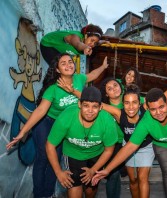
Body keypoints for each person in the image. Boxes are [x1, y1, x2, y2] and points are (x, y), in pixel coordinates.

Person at [6, 53, 108, 198]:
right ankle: (39, 194)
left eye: (70, 62)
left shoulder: (79, 79)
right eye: (63, 63)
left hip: (64, 126)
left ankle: (49, 193)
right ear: (58, 70)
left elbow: (93, 74)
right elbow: (40, 110)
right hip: (47, 122)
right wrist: (24, 131)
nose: (68, 65)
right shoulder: (53, 89)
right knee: (43, 156)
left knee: (56, 158)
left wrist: (103, 67)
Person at [102, 70, 167, 198]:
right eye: (127, 103)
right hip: (128, 145)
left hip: (146, 145)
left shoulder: (143, 104)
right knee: (133, 180)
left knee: (143, 178)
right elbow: (93, 103)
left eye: (115, 86)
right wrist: (76, 94)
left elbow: (165, 95)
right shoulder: (117, 112)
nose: (131, 106)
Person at [46, 86, 118, 198]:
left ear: (100, 107)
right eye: (86, 106)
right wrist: (58, 172)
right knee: (75, 190)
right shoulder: (66, 117)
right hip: (73, 154)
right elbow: (50, 145)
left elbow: (109, 150)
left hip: (96, 155)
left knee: (90, 191)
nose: (90, 111)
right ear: (79, 104)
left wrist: (93, 170)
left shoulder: (107, 121)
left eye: (94, 107)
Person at [40, 24, 109, 66]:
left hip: (58, 50)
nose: (92, 44)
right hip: (48, 45)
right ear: (85, 36)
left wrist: (104, 41)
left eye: (95, 43)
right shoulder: (74, 37)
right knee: (59, 68)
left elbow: (98, 42)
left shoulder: (90, 42)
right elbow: (78, 44)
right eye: (92, 40)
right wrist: (85, 47)